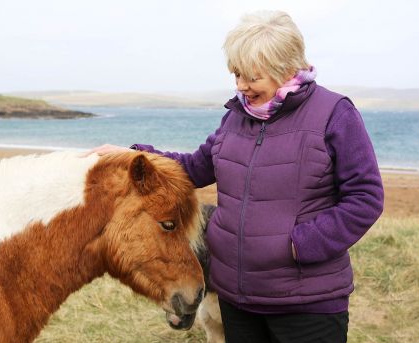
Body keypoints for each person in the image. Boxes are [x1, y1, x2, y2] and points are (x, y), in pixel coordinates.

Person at [90, 10, 384, 343]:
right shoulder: (236, 118)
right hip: (235, 297)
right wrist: (132, 156)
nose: (242, 86)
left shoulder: (334, 113)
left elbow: (365, 198)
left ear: (284, 67)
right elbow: (195, 167)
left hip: (306, 304)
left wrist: (301, 245)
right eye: (236, 75)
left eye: (251, 76)